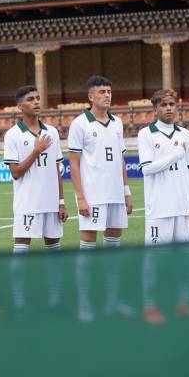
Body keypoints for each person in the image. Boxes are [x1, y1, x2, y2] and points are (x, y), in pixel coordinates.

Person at [137, 89, 189, 323]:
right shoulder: (146, 134)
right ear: (155, 109)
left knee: (186, 260)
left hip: (183, 209)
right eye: (163, 105)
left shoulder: (185, 134)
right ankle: (149, 306)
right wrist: (175, 155)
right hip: (159, 209)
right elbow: (146, 168)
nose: (169, 108)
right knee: (153, 260)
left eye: (172, 104)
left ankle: (184, 304)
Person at [67, 75, 132, 250]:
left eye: (109, 92)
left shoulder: (117, 122)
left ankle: (111, 277)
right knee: (88, 243)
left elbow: (121, 160)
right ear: (91, 97)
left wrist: (126, 192)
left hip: (116, 193)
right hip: (93, 194)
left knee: (113, 243)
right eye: (102, 92)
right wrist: (80, 198)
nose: (107, 96)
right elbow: (73, 163)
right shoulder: (79, 124)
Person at [3, 86, 68, 253]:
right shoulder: (13, 134)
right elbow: (16, 173)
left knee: (54, 247)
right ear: (20, 106)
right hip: (27, 203)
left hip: (51, 202)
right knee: (22, 246)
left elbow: (56, 170)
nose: (36, 102)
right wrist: (36, 151)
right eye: (30, 99)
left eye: (38, 98)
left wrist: (61, 203)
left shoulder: (51, 132)